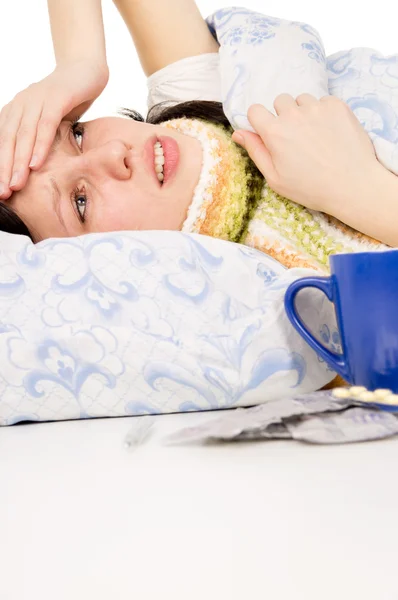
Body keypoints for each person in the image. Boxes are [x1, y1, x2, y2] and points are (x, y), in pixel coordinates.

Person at [0, 0, 397, 266]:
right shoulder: (239, 308)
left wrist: (79, 62)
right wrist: (355, 188)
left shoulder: (203, 102)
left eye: (77, 135)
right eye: (80, 202)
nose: (113, 153)